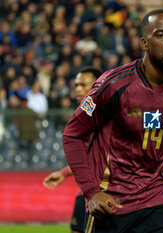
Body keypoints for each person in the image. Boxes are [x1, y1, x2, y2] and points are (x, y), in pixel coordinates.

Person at [62, 9, 163, 233]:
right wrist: (91, 191)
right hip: (110, 204)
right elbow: (72, 135)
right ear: (144, 43)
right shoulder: (114, 85)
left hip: (156, 203)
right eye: (160, 35)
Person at [43, 66, 103, 233]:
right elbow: (89, 158)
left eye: (83, 85)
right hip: (85, 191)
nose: (77, 89)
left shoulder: (103, 116)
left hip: (104, 190)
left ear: (98, 86)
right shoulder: (82, 115)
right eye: (76, 85)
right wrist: (64, 173)